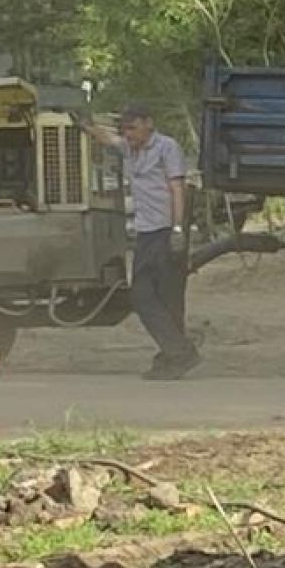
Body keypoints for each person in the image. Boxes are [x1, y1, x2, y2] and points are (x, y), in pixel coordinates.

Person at [88, 103, 199, 380]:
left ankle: (174, 358)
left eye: (133, 128)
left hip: (165, 230)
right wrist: (83, 124)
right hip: (146, 233)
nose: (129, 134)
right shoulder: (128, 148)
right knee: (141, 295)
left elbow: (177, 188)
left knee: (169, 297)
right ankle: (178, 351)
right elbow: (108, 138)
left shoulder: (166, 147)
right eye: (125, 129)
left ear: (148, 124)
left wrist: (177, 228)